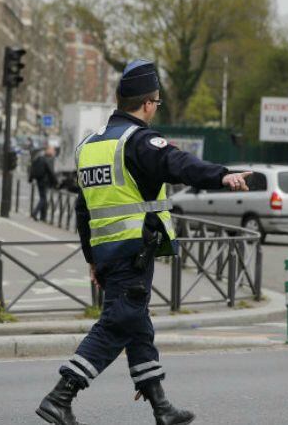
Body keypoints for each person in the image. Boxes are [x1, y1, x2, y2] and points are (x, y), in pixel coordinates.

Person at [35, 59, 251, 425]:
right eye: (157, 103)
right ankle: (62, 394)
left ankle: (161, 406)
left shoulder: (89, 147)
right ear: (148, 103)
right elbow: (179, 163)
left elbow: (82, 209)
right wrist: (224, 176)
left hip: (107, 254)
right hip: (134, 250)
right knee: (119, 321)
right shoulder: (139, 141)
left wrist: (91, 258)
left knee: (137, 325)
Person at [29, 146, 58, 221]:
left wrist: (30, 179)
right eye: (52, 150)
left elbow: (32, 168)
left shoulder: (39, 158)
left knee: (43, 197)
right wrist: (55, 182)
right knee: (43, 199)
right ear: (49, 151)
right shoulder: (48, 159)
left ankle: (43, 217)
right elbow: (50, 172)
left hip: (39, 180)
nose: (53, 152)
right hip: (45, 181)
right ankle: (35, 212)